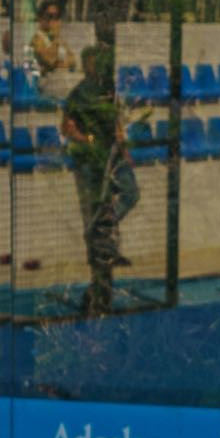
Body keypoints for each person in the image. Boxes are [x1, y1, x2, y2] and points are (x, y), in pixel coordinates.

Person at [60, 45, 139, 303]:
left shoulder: (109, 91)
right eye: (93, 62)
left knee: (130, 193)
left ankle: (103, 226)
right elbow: (66, 127)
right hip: (89, 161)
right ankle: (98, 282)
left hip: (112, 157)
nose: (97, 66)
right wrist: (88, 140)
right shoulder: (78, 94)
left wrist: (123, 149)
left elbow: (117, 124)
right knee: (92, 211)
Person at [30, 0, 75, 103]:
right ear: (41, 18)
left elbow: (73, 60)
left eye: (56, 16)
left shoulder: (59, 40)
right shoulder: (37, 39)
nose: (53, 20)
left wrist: (62, 64)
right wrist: (55, 38)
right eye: (50, 16)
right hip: (47, 82)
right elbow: (49, 60)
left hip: (62, 78)